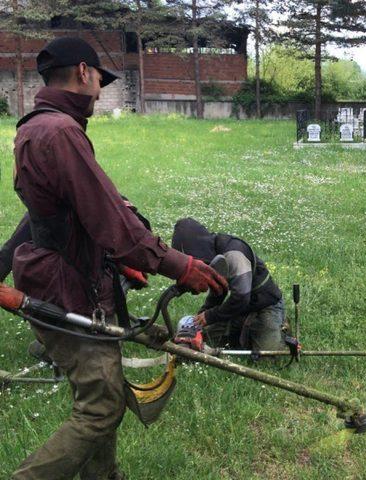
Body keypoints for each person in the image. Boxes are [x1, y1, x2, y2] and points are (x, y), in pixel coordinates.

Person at [10, 37, 228, 480]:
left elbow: (64, 215)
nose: (97, 93)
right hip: (67, 286)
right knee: (102, 406)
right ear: (85, 73)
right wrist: (177, 264)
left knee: (98, 396)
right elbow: (112, 223)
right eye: (97, 82)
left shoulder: (34, 126)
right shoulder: (62, 132)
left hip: (64, 278)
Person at [171, 217, 287, 353]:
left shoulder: (234, 254)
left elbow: (241, 297)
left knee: (268, 355)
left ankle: (282, 326)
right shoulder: (213, 252)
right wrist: (202, 315)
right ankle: (243, 328)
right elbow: (219, 290)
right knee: (207, 338)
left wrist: (210, 316)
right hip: (243, 308)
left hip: (267, 305)